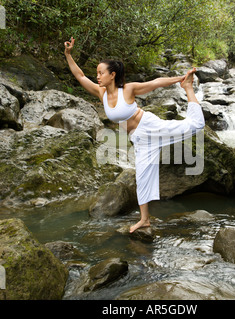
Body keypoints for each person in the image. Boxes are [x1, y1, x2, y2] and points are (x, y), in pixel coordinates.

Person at [64, 37, 205, 233]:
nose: (97, 76)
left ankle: (189, 89)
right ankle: (144, 220)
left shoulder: (128, 89)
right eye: (97, 73)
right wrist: (68, 55)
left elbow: (155, 83)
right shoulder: (101, 93)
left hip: (149, 125)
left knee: (195, 125)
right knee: (142, 176)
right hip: (138, 138)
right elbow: (79, 76)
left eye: (100, 73)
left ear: (112, 75)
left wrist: (180, 80)